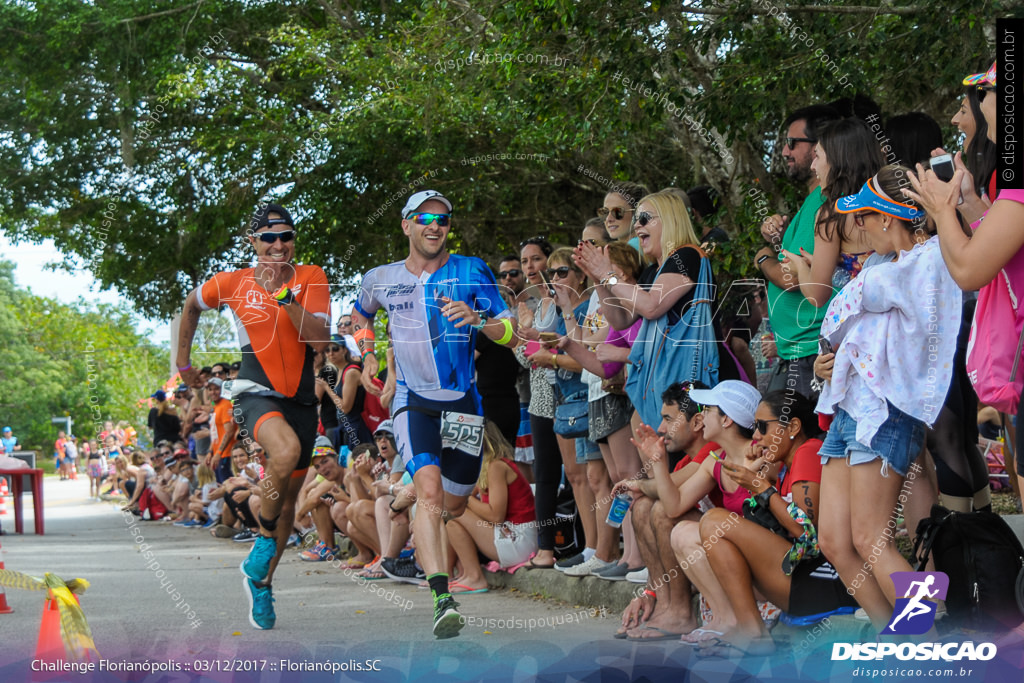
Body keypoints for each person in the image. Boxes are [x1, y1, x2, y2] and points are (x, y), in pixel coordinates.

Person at [351, 189, 516, 638]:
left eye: (443, 220)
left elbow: (512, 332)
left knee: (454, 502)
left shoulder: (471, 270)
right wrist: (368, 354)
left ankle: (423, 524)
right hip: (412, 402)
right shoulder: (381, 278)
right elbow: (359, 317)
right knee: (428, 490)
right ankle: (443, 598)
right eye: (424, 218)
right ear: (406, 225)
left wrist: (480, 320)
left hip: (463, 403)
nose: (435, 226)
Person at [815, 165, 961, 630]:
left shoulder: (930, 261)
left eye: (863, 217)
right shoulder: (891, 264)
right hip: (851, 409)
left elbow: (869, 299)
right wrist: (830, 360)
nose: (856, 230)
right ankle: (893, 636)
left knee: (872, 537)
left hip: (885, 414)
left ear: (887, 218)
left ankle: (926, 638)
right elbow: (856, 326)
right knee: (835, 541)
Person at [175, 202, 331, 630]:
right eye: (269, 238)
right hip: (254, 391)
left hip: (301, 399)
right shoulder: (233, 282)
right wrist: (183, 362)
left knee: (286, 510)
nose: (279, 245)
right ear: (253, 242)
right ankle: (261, 539)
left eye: (286, 237)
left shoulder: (311, 276)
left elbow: (319, 339)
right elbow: (191, 304)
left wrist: (285, 297)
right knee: (285, 452)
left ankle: (260, 581)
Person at [699, 391, 855, 655]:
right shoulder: (785, 465)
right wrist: (755, 479)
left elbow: (806, 533)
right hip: (804, 580)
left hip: (823, 584)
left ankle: (753, 633)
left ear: (793, 426)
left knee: (714, 521)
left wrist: (760, 486)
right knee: (715, 527)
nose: (756, 436)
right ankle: (751, 631)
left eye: (762, 426)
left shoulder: (809, 451)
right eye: (754, 427)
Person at [611, 382, 716, 641]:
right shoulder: (684, 459)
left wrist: (638, 484)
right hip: (701, 552)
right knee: (643, 507)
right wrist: (649, 594)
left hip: (725, 550)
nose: (661, 429)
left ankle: (680, 611)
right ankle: (663, 603)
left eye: (669, 420)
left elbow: (672, 496)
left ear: (698, 422)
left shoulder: (714, 450)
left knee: (660, 509)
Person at [755, 105, 842, 398]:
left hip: (809, 353)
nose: (784, 151)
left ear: (820, 147)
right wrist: (779, 239)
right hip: (801, 352)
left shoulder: (823, 202)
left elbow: (791, 277)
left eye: (792, 143)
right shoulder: (811, 203)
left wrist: (763, 257)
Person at [445, 421, 537, 592]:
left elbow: (496, 516)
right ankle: (469, 574)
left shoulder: (496, 466)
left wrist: (465, 500)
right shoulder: (486, 467)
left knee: (458, 512)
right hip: (510, 534)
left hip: (519, 540)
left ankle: (475, 577)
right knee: (453, 523)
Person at [205, 378, 238, 483]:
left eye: (216, 389)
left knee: (228, 487)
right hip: (218, 455)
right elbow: (215, 433)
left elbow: (229, 431)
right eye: (210, 389)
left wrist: (219, 452)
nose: (213, 392)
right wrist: (210, 451)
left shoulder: (225, 405)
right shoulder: (216, 406)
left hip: (227, 454)